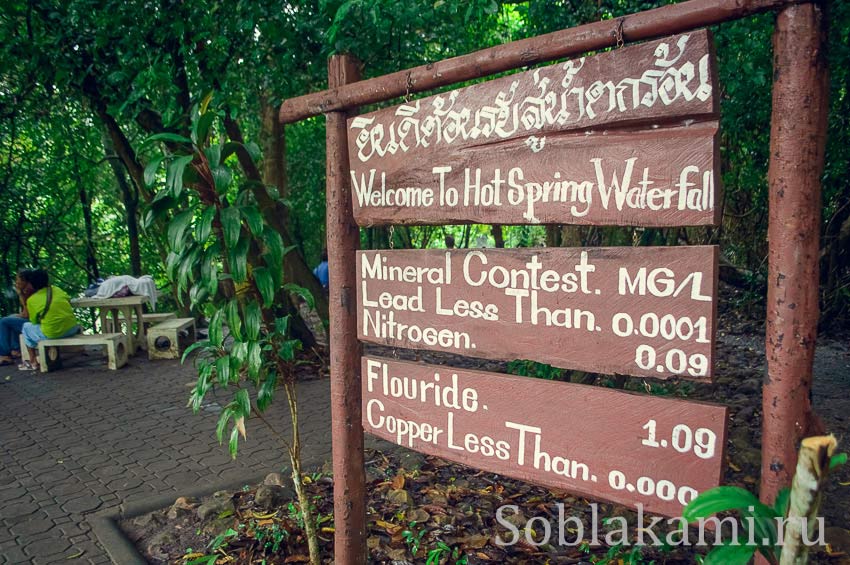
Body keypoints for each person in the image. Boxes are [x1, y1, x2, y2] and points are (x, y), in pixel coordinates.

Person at [19, 269, 80, 371]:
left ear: (31, 284)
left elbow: (33, 321)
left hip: (53, 333)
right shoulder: (56, 289)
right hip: (72, 328)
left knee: (26, 327)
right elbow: (68, 299)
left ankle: (33, 362)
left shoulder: (32, 300)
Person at [0, 270, 36, 366]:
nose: (16, 283)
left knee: (4, 321)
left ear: (25, 281)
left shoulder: (31, 291)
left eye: (18, 280)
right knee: (11, 318)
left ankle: (4, 354)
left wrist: (20, 294)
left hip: (33, 323)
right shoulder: (28, 291)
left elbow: (26, 314)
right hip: (32, 320)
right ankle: (16, 349)